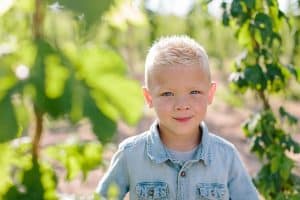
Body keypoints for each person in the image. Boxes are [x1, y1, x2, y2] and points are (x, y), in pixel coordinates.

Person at [96, 35, 259, 200]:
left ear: (210, 94)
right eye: (167, 93)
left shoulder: (226, 156)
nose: (182, 105)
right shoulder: (130, 155)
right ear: (149, 97)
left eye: (194, 92)